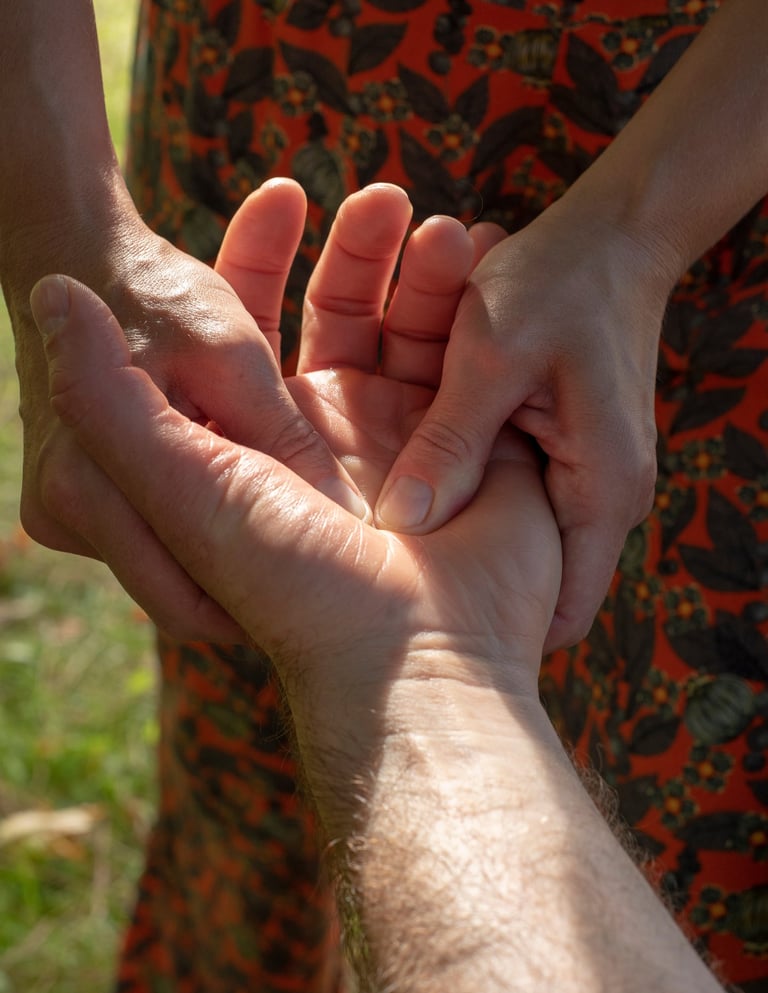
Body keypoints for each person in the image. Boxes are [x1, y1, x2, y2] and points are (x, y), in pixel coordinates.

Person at [3, 0, 766, 988]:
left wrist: (641, 233)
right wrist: (65, 225)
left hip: (727, 180)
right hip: (281, 85)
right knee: (266, 763)